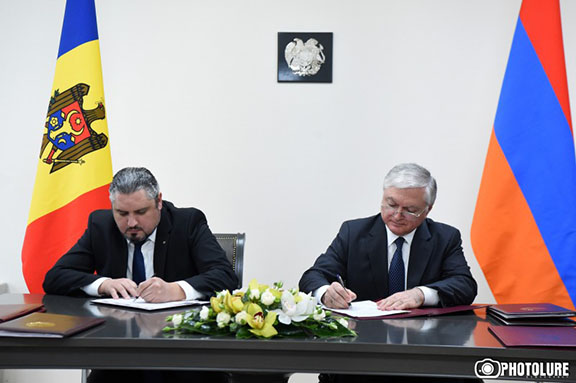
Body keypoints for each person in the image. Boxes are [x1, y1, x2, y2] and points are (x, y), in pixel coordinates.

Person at [43, 167, 237, 383]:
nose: (131, 223)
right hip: (120, 356)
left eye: (141, 212)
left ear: (159, 202)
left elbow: (225, 276)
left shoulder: (188, 222)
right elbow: (55, 277)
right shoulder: (101, 225)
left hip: (185, 352)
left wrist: (177, 290)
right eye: (122, 214)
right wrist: (103, 284)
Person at [299, 163, 478, 383]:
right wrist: (326, 292)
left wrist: (421, 294)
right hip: (362, 356)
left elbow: (465, 285)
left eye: (410, 210)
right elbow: (312, 277)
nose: (397, 215)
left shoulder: (445, 237)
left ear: (428, 210)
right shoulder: (353, 233)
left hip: (425, 355)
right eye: (391, 204)